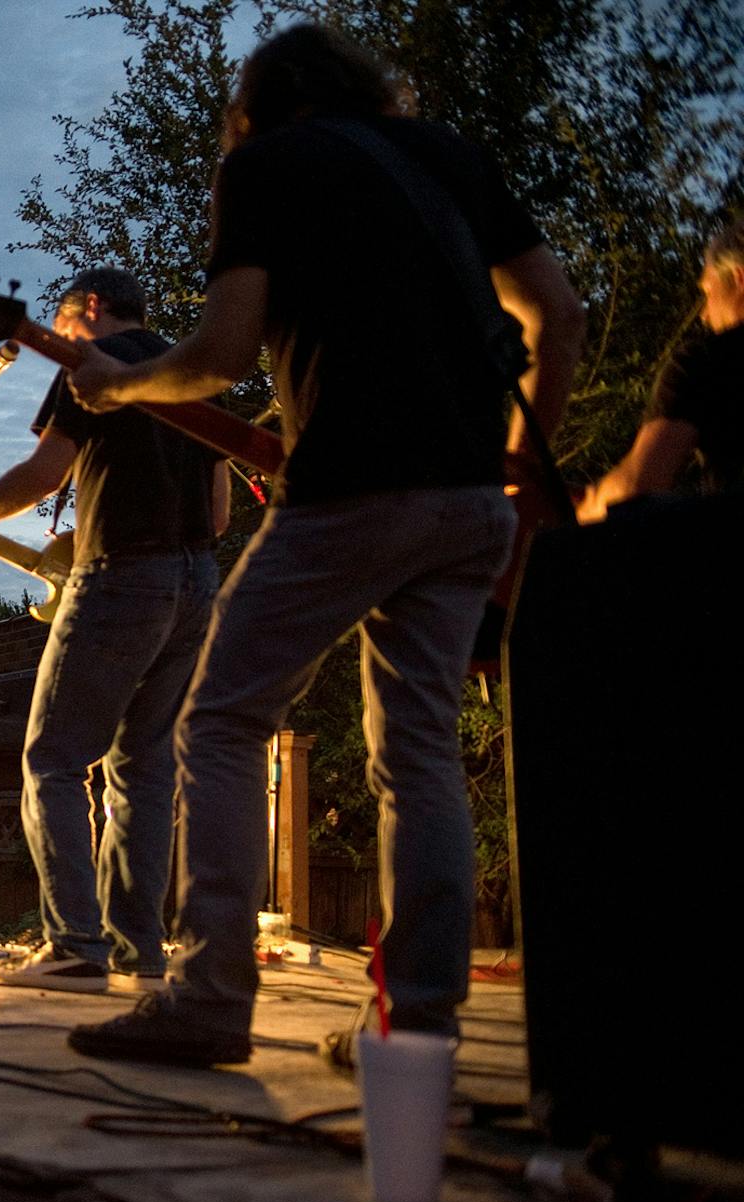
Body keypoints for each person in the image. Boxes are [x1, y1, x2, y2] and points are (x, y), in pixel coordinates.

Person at [62, 22, 583, 1065]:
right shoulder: (451, 157)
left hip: (350, 488)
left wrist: (116, 384)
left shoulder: (263, 168)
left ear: (257, 105)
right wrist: (522, 465)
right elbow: (556, 315)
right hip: (472, 498)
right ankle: (415, 1026)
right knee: (420, 751)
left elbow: (217, 356)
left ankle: (210, 999)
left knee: (219, 722)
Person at [0, 266, 229, 991]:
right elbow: (216, 517)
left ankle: (76, 946)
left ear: (89, 310)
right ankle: (138, 951)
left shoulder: (93, 367)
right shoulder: (193, 374)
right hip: (195, 583)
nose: (59, 344)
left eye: (61, 329)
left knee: (53, 761)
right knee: (143, 772)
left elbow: (45, 474)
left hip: (123, 575)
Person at [578, 217, 744, 518]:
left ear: (739, 278)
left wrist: (590, 504)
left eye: (707, 293)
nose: (704, 315)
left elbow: (640, 486)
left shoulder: (707, 360)